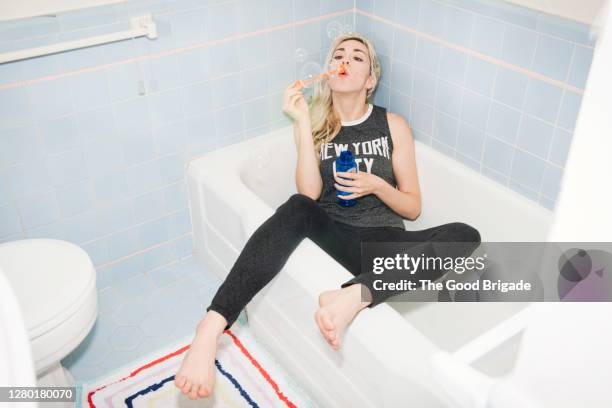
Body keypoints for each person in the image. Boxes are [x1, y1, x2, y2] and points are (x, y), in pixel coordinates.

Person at [174, 32, 481, 400]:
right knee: (298, 206)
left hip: (383, 244)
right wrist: (303, 122)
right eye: (339, 55)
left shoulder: (392, 125)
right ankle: (211, 326)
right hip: (335, 236)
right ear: (330, 73)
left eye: (357, 57)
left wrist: (378, 186)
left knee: (465, 234)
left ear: (370, 80)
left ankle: (352, 296)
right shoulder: (317, 126)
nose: (345, 60)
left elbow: (413, 207)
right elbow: (308, 195)